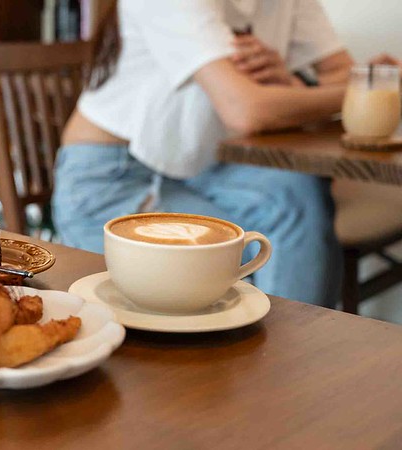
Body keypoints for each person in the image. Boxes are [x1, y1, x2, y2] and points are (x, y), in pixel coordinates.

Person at [52, 0, 356, 307]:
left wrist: (290, 85)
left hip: (199, 166)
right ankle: (282, 343)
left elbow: (343, 73)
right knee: (239, 268)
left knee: (296, 194)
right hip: (113, 178)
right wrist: (364, 91)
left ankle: (299, 346)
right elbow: (245, 110)